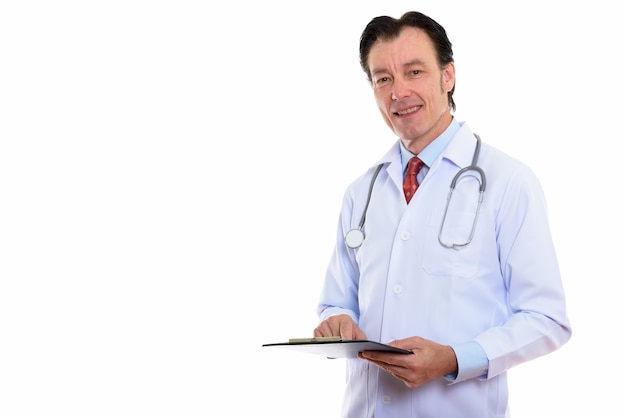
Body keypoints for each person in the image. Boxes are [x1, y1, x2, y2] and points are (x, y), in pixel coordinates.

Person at [313, 11, 572, 418]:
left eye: (414, 72)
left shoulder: (509, 182)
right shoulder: (360, 192)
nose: (398, 92)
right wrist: (337, 323)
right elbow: (334, 302)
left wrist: (454, 359)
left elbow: (547, 319)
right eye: (383, 78)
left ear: (447, 76)